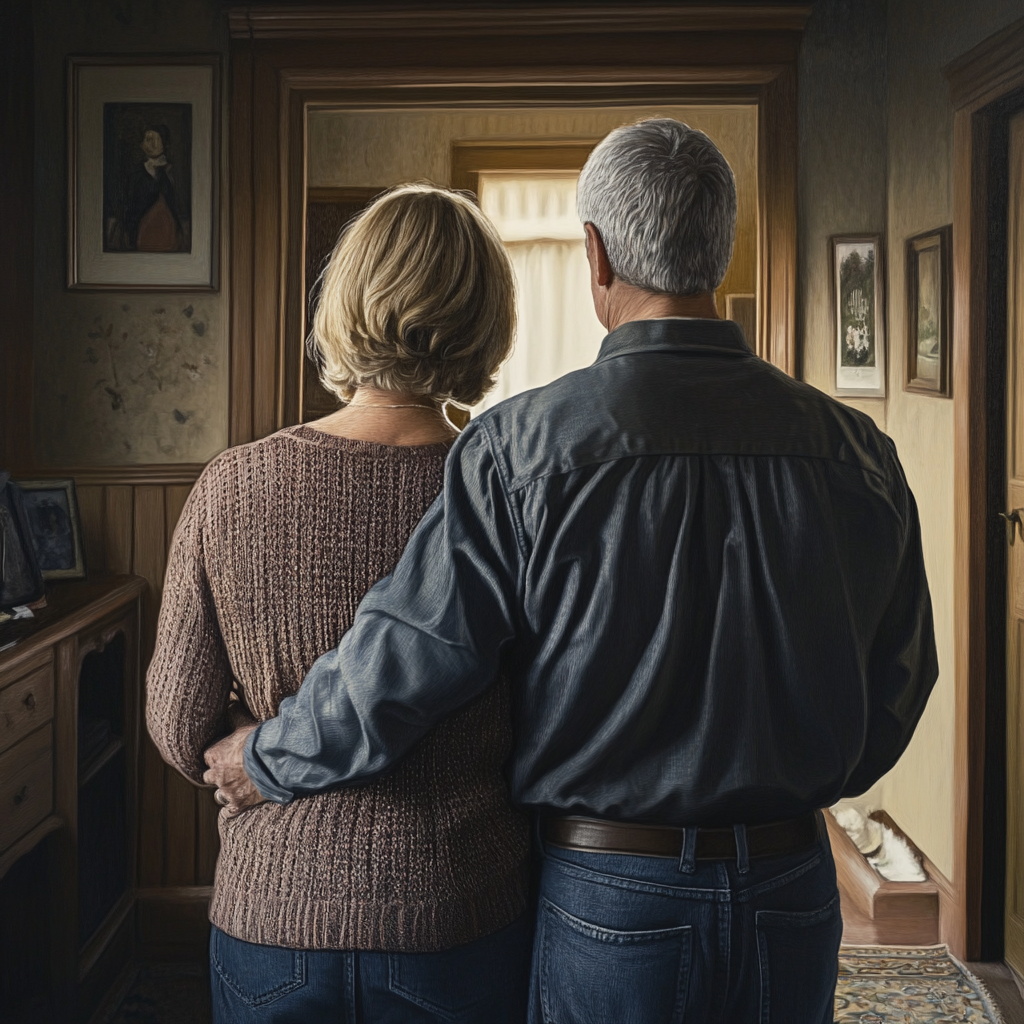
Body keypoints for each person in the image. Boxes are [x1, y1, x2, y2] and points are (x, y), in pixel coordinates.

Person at [206, 119, 938, 1023]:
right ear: (719, 247)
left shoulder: (518, 448)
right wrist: (794, 775)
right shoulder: (855, 450)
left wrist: (266, 758)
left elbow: (410, 659)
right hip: (792, 880)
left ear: (595, 256)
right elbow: (901, 678)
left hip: (607, 893)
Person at [146, 184, 530, 1024]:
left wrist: (258, 751)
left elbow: (180, 728)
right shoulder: (508, 496)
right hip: (459, 911)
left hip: (273, 915)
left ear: (346, 304)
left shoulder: (233, 485)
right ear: (486, 322)